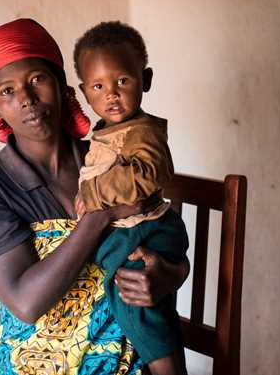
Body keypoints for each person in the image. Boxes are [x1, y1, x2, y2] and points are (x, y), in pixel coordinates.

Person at [0, 18, 189, 375]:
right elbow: (26, 302)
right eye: (7, 91)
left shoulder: (109, 156)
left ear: (65, 89)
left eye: (38, 79)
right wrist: (102, 215)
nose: (27, 99)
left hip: (131, 362)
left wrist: (170, 275)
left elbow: (159, 232)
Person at [73, 21, 189, 375]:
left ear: (146, 79)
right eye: (98, 86)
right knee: (123, 301)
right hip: (131, 230)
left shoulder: (144, 132)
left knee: (136, 302)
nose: (111, 94)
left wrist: (92, 193)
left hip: (148, 231)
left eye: (122, 81)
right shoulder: (106, 131)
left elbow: (150, 174)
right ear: (84, 92)